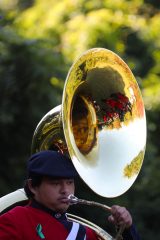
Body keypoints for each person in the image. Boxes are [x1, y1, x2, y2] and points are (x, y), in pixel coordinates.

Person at [0, 150, 140, 239]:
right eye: (55, 183)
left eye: (69, 182)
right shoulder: (14, 221)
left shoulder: (86, 233)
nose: (65, 190)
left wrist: (127, 229)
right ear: (33, 186)